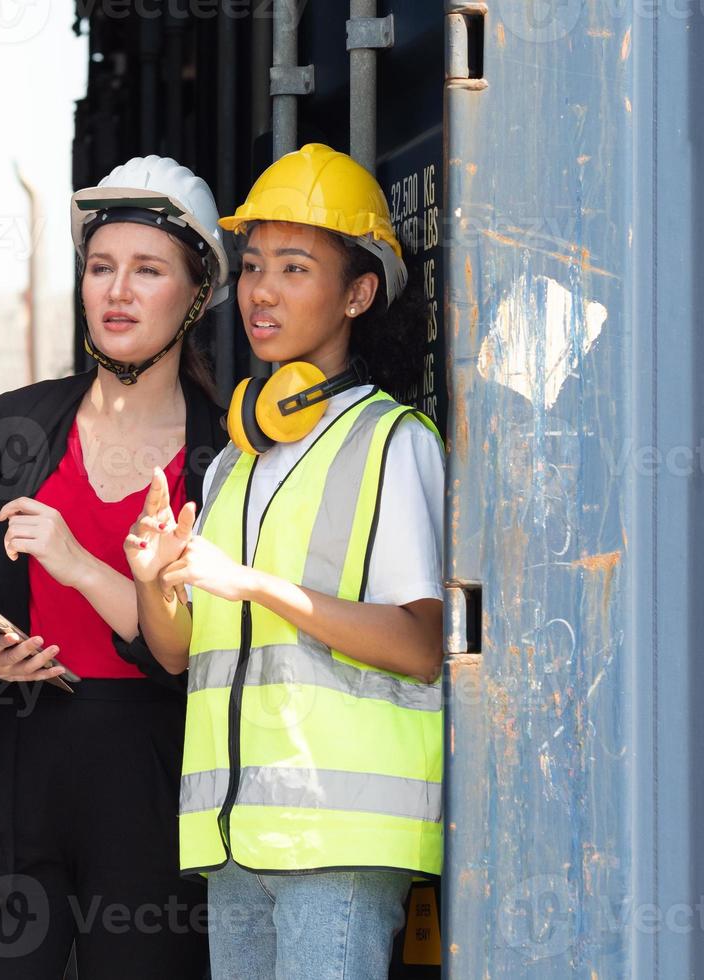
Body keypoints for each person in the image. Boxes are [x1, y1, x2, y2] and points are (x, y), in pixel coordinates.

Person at [126, 143, 445, 980]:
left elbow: (420, 646)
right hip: (237, 833)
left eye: (295, 267)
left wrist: (255, 583)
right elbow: (177, 652)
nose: (261, 290)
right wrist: (155, 579)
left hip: (335, 833)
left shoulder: (391, 443)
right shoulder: (236, 461)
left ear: (358, 294)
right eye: (255, 263)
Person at [0, 155, 230, 979]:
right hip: (7, 782)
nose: (116, 290)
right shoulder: (11, 428)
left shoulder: (229, 457)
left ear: (196, 294)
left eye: (147, 270)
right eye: (101, 268)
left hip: (152, 794)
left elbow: (204, 649)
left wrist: (80, 561)